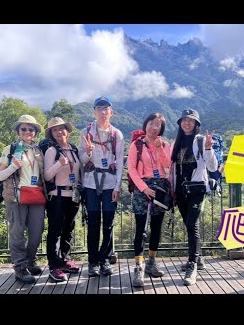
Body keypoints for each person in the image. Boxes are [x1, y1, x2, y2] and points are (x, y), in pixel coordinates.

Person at [170, 109, 217, 286]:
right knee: (190, 224)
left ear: (196, 124)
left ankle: (192, 264)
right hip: (181, 190)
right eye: (184, 120)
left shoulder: (200, 141)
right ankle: (199, 258)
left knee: (191, 223)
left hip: (196, 190)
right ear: (180, 124)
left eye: (191, 120)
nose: (187, 123)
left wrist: (208, 148)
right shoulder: (177, 142)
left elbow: (212, 166)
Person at [0, 114, 46, 284]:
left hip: (36, 196)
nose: (27, 131)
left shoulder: (38, 150)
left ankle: (31, 260)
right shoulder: (10, 149)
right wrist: (12, 166)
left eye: (30, 129)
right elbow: (0, 176)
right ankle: (20, 268)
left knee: (37, 232)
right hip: (16, 197)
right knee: (17, 233)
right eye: (23, 128)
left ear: (35, 132)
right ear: (18, 131)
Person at [79, 96, 124, 277]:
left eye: (106, 109)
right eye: (100, 108)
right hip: (90, 183)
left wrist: (117, 187)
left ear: (111, 112)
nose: (103, 112)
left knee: (108, 224)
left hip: (109, 184)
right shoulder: (86, 132)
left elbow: (120, 162)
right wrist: (88, 153)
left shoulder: (117, 135)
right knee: (93, 223)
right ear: (94, 112)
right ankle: (92, 262)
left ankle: (105, 260)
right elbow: (81, 160)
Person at [127, 113, 171, 287]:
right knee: (141, 228)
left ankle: (152, 261)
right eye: (152, 123)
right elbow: (131, 168)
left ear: (161, 128)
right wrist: (143, 188)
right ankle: (139, 265)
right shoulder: (136, 145)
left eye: (158, 125)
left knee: (156, 226)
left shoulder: (165, 144)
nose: (154, 127)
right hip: (142, 188)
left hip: (160, 187)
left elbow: (167, 166)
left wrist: (160, 148)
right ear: (146, 125)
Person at [43, 117, 82, 282]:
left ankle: (65, 260)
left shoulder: (73, 149)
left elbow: (80, 168)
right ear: (51, 133)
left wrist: (89, 152)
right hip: (57, 197)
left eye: (62, 128)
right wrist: (59, 164)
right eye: (55, 129)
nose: (59, 132)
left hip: (73, 196)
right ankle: (54, 266)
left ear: (67, 130)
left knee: (68, 230)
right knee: (55, 232)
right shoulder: (52, 151)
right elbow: (46, 175)